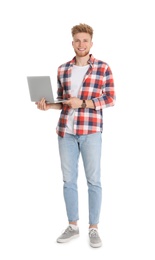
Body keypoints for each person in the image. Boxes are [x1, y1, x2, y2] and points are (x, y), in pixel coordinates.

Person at [36, 23, 115, 248]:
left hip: (91, 132)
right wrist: (46, 105)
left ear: (91, 44)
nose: (81, 44)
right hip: (66, 133)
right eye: (77, 41)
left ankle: (93, 228)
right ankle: (73, 226)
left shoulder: (103, 68)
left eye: (85, 41)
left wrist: (84, 103)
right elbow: (63, 103)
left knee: (93, 181)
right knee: (68, 181)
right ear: (72, 43)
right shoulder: (63, 69)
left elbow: (110, 99)